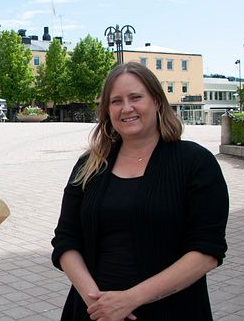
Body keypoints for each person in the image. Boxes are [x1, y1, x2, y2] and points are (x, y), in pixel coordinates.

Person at [51, 62, 229, 321]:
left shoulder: (195, 163)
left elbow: (206, 252)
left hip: (172, 311)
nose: (126, 108)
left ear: (157, 101)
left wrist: (130, 299)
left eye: (136, 97)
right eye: (116, 101)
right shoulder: (89, 165)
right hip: (93, 312)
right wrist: (98, 303)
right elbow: (66, 240)